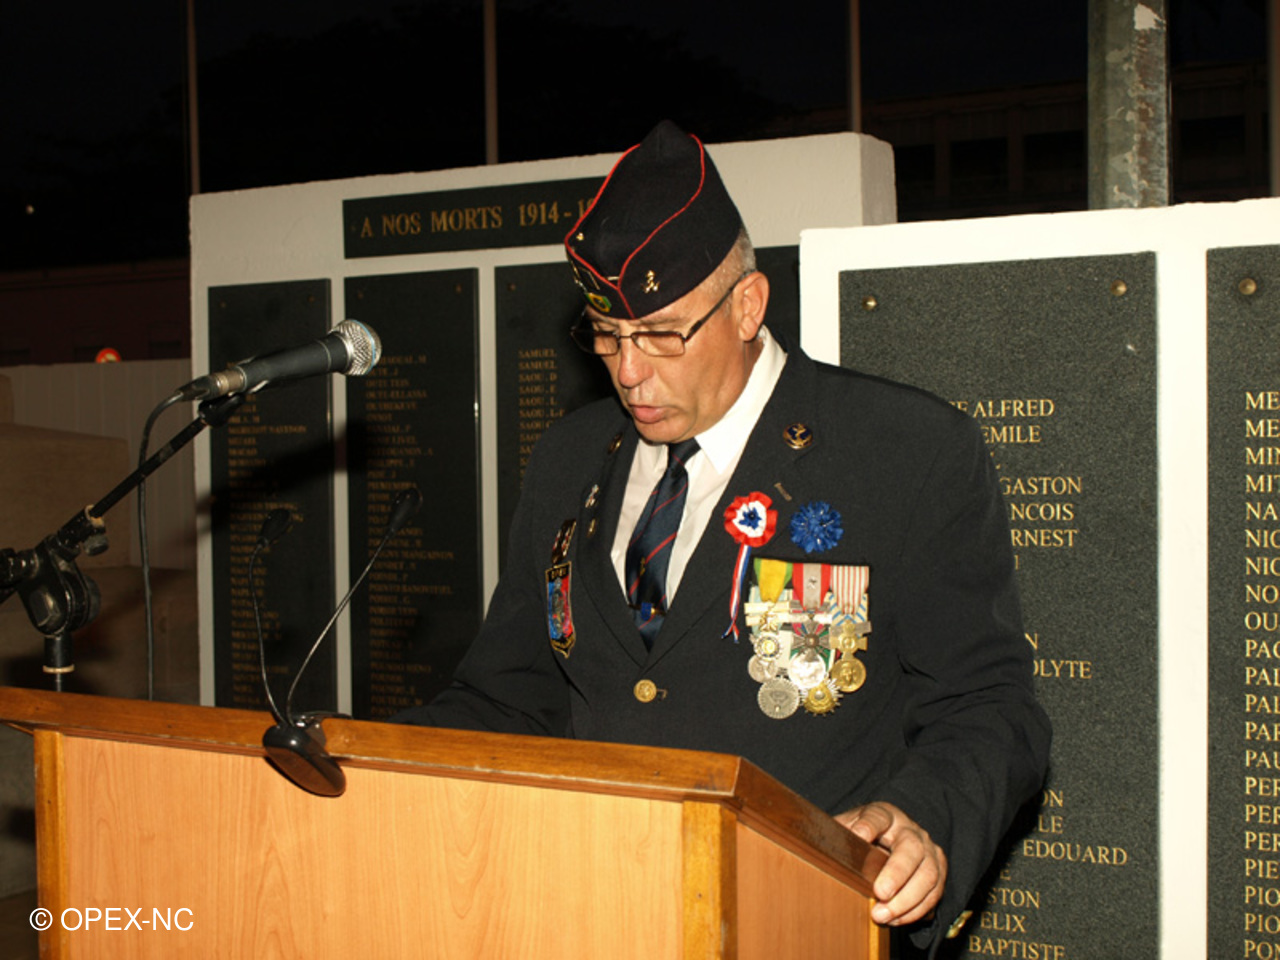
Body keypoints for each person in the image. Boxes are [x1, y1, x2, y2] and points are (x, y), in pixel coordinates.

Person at [394, 120, 1051, 952]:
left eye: (662, 334)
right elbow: (513, 694)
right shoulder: (570, 459)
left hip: (801, 920)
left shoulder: (902, 452)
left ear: (747, 305)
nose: (630, 371)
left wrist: (923, 816)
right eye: (607, 335)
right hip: (590, 908)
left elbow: (989, 704)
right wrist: (363, 757)